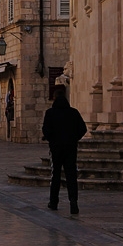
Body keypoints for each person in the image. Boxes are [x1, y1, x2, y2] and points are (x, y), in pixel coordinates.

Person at [42, 85, 88, 214]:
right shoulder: (73, 112)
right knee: (71, 175)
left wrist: (51, 139)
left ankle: (53, 201)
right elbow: (83, 129)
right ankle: (73, 202)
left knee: (55, 174)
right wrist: (74, 138)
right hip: (70, 148)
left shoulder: (50, 113)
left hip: (56, 148)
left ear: (55, 98)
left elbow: (46, 130)